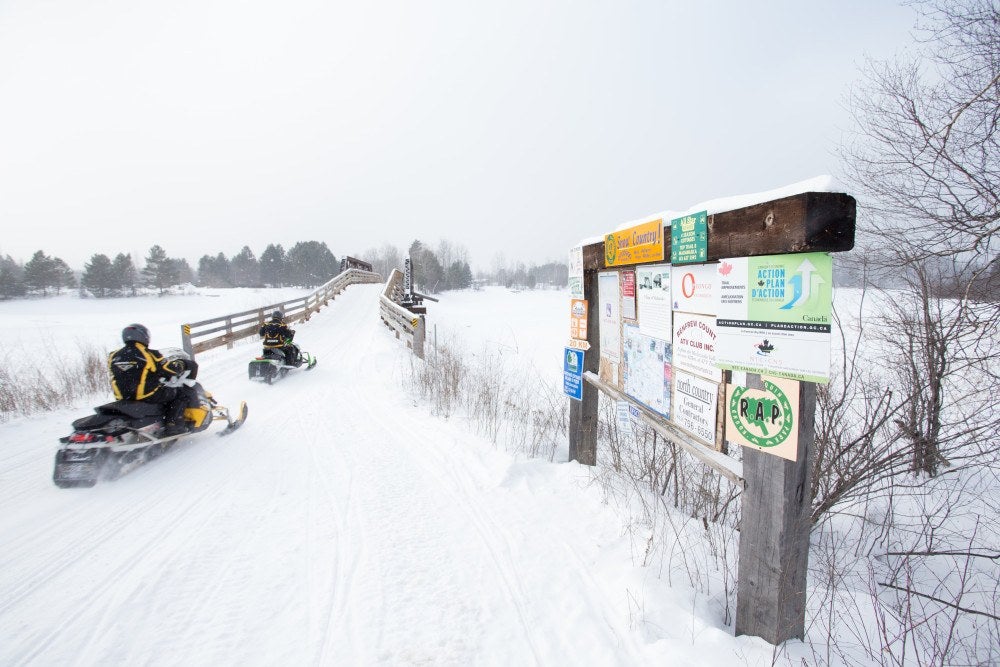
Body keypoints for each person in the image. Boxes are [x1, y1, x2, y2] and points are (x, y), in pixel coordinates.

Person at [108, 323, 199, 436]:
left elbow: (125, 372)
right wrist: (183, 364)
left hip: (123, 397)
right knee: (181, 393)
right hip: (147, 395)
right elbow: (168, 368)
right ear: (143, 337)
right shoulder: (149, 354)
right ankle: (173, 424)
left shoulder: (114, 356)